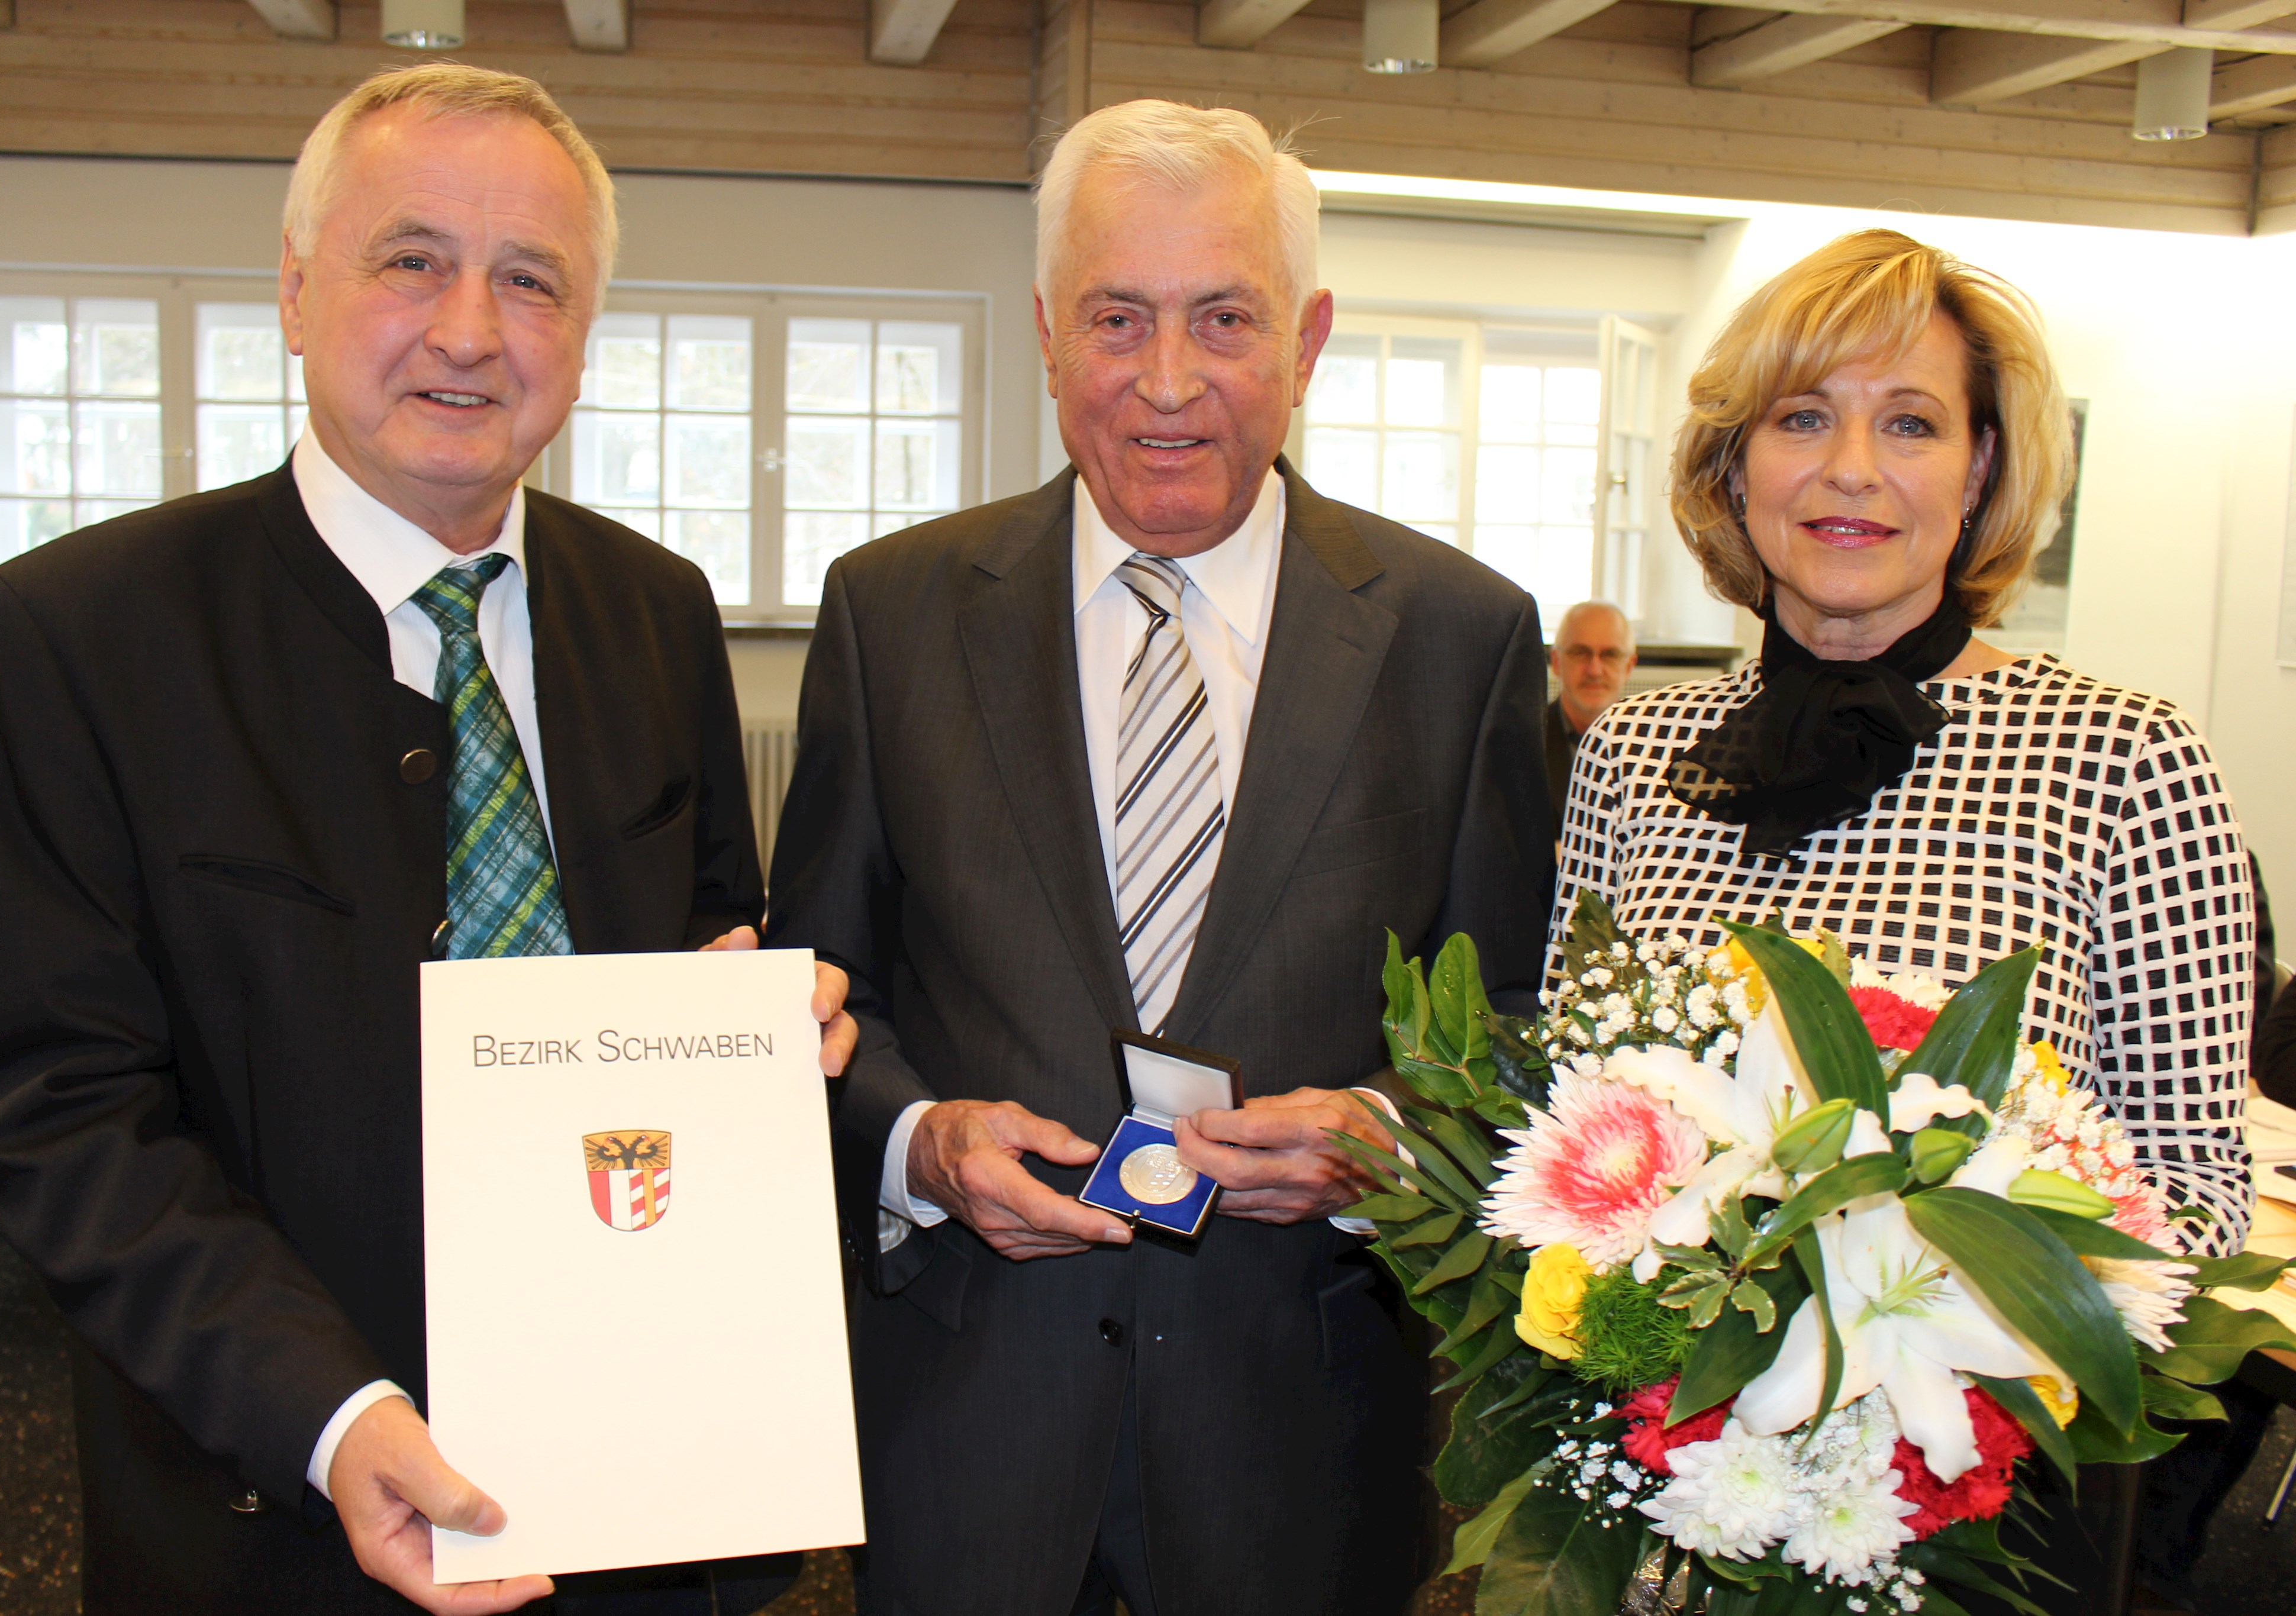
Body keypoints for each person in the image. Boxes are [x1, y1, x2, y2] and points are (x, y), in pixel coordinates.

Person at [0, 64, 852, 1616]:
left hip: (645, 1504)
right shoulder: (74, 638)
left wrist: (761, 1021)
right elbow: (54, 1106)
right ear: (296, 291)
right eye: (411, 260)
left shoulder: (656, 610)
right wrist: (332, 1410)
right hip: (273, 1510)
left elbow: (710, 934)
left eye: (530, 281)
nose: (470, 330)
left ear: (586, 329)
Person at [765, 99, 1553, 1616]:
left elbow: (1508, 1027)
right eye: (1120, 318)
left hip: (1301, 1437)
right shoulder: (892, 612)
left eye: (1225, 318)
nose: (1169, 381)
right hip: (968, 1420)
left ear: (1308, 338)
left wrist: (1383, 1138)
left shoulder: (1462, 639)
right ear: (1051, 333)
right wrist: (918, 1141)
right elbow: (816, 990)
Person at [1550, 228, 2256, 1616]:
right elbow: (1573, 1120)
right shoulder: (1632, 749)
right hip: (1668, 1494)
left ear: (1983, 469)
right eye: (1802, 417)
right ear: (1731, 467)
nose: (1851, 469)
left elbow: (2196, 1193)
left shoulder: (2126, 757)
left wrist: (1963, 1328)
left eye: (1911, 422)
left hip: (1970, 1511)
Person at [1544, 599, 1637, 833]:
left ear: (1629, 666)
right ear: (1556, 662)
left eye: (1610, 655)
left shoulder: (1653, 747)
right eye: (1580, 653)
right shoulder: (1523, 742)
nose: (1594, 670)